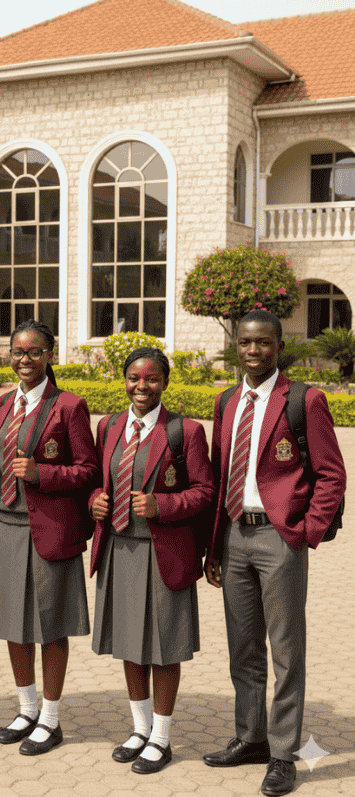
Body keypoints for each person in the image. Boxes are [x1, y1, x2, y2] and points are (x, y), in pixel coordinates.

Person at [203, 310, 346, 797]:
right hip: (234, 537)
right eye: (245, 343)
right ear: (236, 347)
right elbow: (220, 474)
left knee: (286, 650)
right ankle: (251, 738)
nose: (252, 351)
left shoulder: (304, 400)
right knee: (243, 648)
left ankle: (283, 753)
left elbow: (331, 474)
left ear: (278, 346)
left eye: (263, 343)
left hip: (279, 538)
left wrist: (305, 531)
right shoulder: (226, 402)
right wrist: (214, 546)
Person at [89, 347, 214, 773]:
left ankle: (161, 737)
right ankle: (140, 729)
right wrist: (95, 501)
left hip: (163, 555)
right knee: (129, 643)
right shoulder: (108, 426)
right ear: (123, 379)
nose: (142, 386)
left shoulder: (185, 431)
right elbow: (94, 480)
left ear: (165, 382)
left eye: (152, 379)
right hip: (119, 549)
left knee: (164, 648)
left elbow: (205, 492)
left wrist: (163, 505)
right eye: (134, 378)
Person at [0, 319, 98, 756]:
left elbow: (89, 470)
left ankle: (50, 718)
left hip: (47, 529)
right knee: (14, 622)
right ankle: (26, 708)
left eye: (34, 352)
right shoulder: (3, 404)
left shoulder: (69, 406)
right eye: (17, 352)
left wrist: (42, 473)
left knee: (50, 624)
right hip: (5, 524)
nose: (24, 360)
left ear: (50, 355)